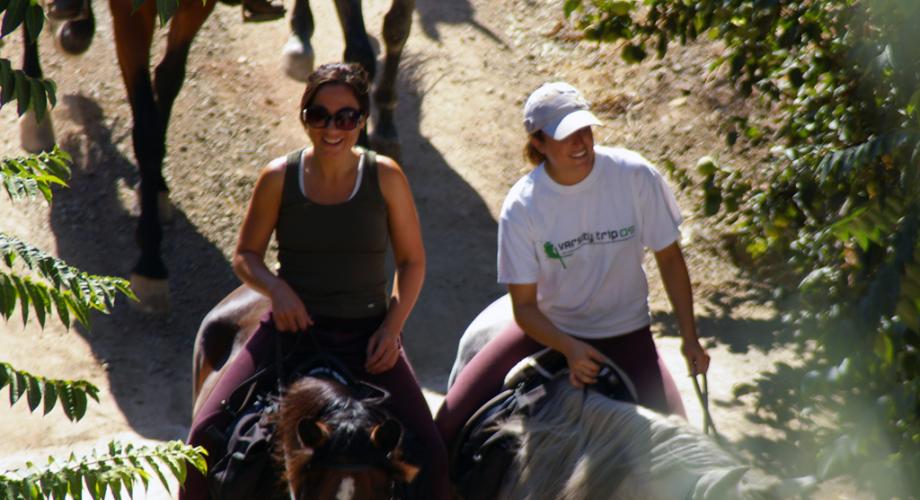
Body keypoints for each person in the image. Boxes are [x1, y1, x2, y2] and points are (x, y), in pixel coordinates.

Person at [182, 63, 449, 499]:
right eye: (319, 115)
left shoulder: (386, 177)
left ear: (362, 121)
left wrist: (392, 326)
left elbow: (412, 262)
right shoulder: (277, 178)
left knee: (434, 460)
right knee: (201, 440)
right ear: (304, 116)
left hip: (367, 338)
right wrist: (277, 290)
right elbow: (245, 256)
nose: (332, 128)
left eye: (346, 117)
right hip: (288, 332)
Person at [436, 81, 711, 451]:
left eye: (585, 129)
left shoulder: (635, 175)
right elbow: (524, 308)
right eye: (566, 135)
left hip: (628, 334)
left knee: (680, 454)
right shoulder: (523, 206)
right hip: (545, 331)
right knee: (444, 427)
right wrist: (569, 347)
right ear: (538, 143)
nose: (581, 143)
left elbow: (671, 260)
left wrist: (689, 337)